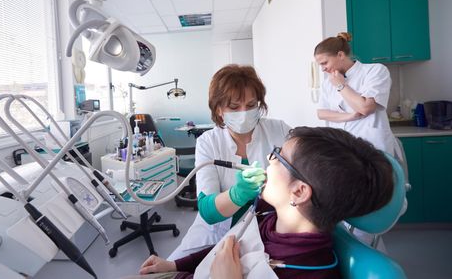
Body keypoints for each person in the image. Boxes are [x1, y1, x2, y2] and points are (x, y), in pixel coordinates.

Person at [138, 127, 395, 279]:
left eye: (278, 157)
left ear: (299, 191)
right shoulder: (268, 216)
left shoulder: (312, 271)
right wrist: (174, 265)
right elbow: (230, 248)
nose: (269, 159)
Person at [167, 64, 291, 260]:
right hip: (214, 232)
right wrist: (238, 194)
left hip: (268, 227)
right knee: (170, 268)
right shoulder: (208, 142)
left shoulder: (280, 131)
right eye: (234, 107)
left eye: (251, 105)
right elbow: (208, 211)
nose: (244, 112)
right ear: (218, 110)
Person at [313, 32, 398, 156]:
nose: (323, 69)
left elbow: (365, 107)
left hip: (374, 148)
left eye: (325, 63)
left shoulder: (375, 71)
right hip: (342, 149)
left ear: (340, 55)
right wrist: (350, 116)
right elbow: (321, 113)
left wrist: (341, 85)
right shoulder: (327, 82)